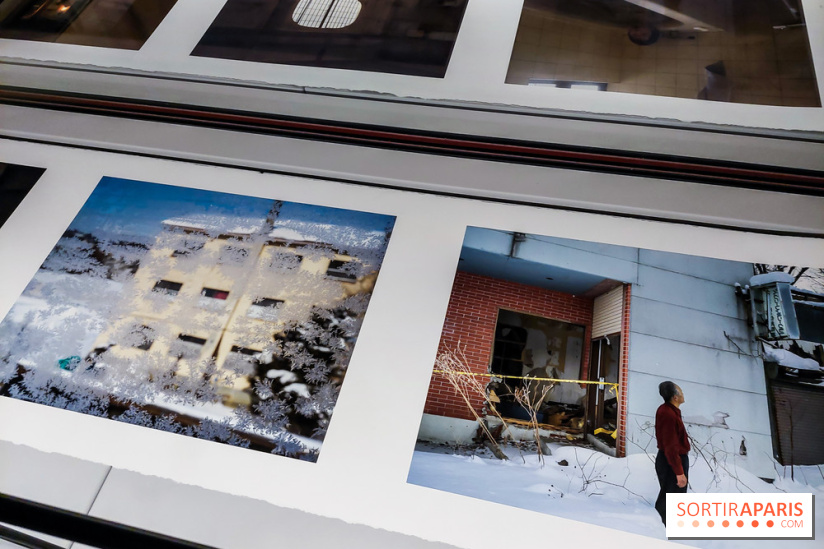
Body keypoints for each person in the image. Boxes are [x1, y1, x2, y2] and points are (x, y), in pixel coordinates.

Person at [654, 381, 690, 525]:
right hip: (672, 460)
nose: (683, 394)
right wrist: (679, 472)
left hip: (670, 459)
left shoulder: (667, 410)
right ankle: (665, 529)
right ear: (675, 397)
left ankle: (667, 526)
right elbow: (671, 446)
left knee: (670, 495)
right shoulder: (668, 414)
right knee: (672, 497)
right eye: (681, 392)